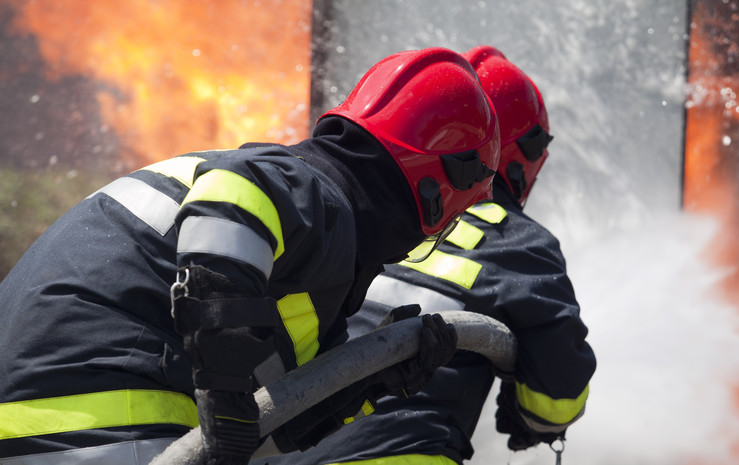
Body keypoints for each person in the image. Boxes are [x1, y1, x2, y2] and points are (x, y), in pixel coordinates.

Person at [0, 47, 502, 465]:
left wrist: (370, 380)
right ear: (440, 187)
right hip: (94, 421)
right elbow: (234, 201)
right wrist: (224, 390)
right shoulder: (311, 193)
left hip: (41, 425)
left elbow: (264, 428)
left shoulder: (301, 245)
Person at [263, 45, 596, 465]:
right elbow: (555, 400)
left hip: (270, 448)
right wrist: (528, 414)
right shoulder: (519, 244)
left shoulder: (349, 216)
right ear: (517, 156)